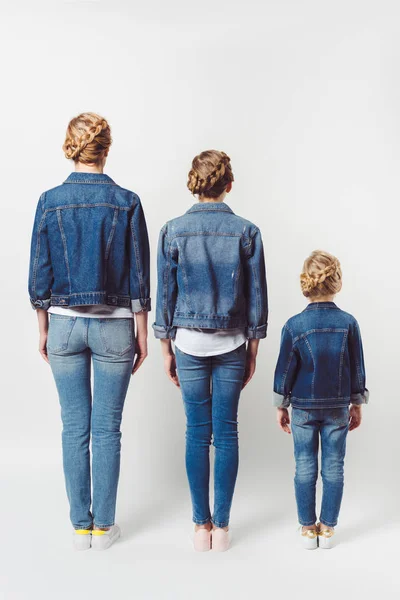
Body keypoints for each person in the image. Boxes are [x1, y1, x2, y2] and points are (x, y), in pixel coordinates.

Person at [28, 112, 151, 551]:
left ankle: (81, 526)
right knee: (107, 429)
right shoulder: (127, 201)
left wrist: (43, 326)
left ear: (71, 146)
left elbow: (39, 273)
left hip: (62, 324)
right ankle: (104, 529)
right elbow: (138, 276)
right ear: (106, 148)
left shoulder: (49, 200)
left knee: (73, 427)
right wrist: (140, 329)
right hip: (115, 327)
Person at [153, 150, 268, 552]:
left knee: (196, 433)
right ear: (229, 185)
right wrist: (253, 346)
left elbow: (164, 295)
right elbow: (256, 298)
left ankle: (200, 528)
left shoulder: (172, 230)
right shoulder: (247, 231)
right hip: (234, 343)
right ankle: (223, 528)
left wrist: (165, 345)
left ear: (194, 184)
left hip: (187, 343)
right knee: (228, 433)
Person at [273, 250, 368, 549]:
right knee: (334, 467)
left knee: (303, 466)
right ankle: (327, 529)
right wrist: (357, 403)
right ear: (336, 282)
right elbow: (357, 367)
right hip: (338, 407)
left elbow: (284, 369)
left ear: (307, 284)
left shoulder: (294, 325)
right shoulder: (348, 323)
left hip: (301, 407)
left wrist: (280, 405)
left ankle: (306, 529)